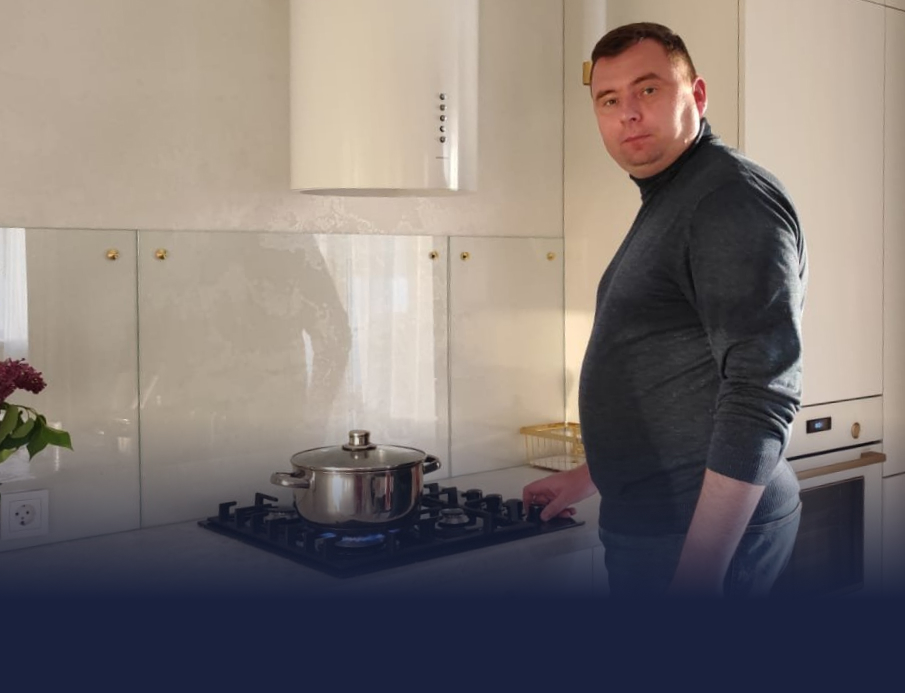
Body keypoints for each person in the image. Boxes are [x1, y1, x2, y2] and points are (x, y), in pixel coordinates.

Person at [523, 22, 807, 597]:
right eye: (609, 100)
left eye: (648, 89)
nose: (628, 113)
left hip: (699, 540)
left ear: (696, 95)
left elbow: (762, 391)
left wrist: (699, 573)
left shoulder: (726, 199)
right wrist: (593, 475)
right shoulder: (677, 196)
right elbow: (675, 375)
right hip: (663, 525)